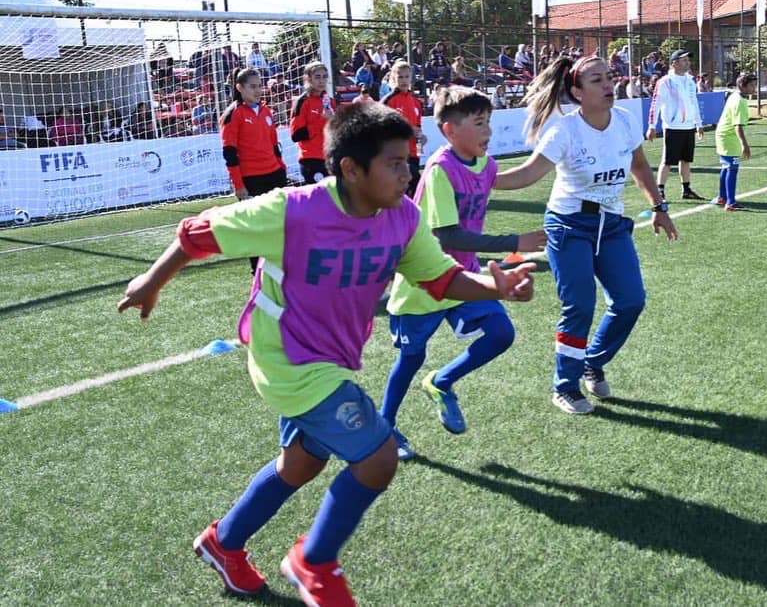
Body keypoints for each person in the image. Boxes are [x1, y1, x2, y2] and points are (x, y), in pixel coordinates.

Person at [117, 102, 535, 606]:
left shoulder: (402, 217)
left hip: (333, 355)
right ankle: (313, 561)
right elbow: (197, 233)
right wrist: (150, 282)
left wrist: (496, 288)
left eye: (409, 161)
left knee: (301, 464)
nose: (408, 174)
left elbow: (441, 277)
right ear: (350, 169)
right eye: (394, 164)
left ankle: (223, 543)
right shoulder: (293, 210)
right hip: (287, 357)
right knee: (379, 458)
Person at [494, 55, 679, 414]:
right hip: (569, 225)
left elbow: (640, 164)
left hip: (611, 225)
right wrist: (479, 180)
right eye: (597, 80)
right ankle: (564, 386)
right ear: (577, 91)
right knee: (579, 305)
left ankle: (593, 361)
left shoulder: (625, 120)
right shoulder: (564, 129)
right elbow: (528, 174)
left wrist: (659, 208)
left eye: (609, 77)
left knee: (630, 301)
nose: (609, 85)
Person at [380, 87, 547, 460]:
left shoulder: (485, 165)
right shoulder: (440, 169)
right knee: (410, 359)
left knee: (501, 333)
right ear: (449, 130)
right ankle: (384, 428)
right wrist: (515, 240)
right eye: (478, 123)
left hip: (464, 275)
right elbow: (447, 235)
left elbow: (512, 179)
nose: (488, 130)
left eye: (488, 121)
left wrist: (555, 155)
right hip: (425, 279)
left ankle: (442, 382)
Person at [220, 67, 287, 272]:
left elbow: (274, 145)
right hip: (251, 179)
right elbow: (230, 153)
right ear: (239, 88)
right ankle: (257, 271)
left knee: (279, 224)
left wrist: (281, 168)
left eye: (260, 86)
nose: (258, 91)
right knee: (255, 227)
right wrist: (238, 185)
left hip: (274, 175)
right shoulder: (233, 114)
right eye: (253, 87)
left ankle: (280, 266)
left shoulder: (266, 111)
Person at [647, 49, 705, 201]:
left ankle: (686, 189)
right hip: (672, 127)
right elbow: (656, 104)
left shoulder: (690, 81)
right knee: (667, 161)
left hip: (688, 127)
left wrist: (698, 123)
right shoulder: (665, 82)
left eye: (688, 60)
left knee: (686, 160)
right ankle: (660, 192)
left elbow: (694, 103)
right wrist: (651, 126)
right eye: (684, 60)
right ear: (674, 63)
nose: (688, 63)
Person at [382, 61, 427, 196]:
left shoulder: (416, 102)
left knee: (412, 193)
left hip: (413, 153)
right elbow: (381, 129)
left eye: (407, 77)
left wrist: (421, 140)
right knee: (415, 184)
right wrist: (406, 130)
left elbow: (418, 128)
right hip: (395, 153)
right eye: (400, 77)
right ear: (393, 78)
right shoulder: (388, 101)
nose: (404, 80)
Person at [712, 72, 756, 211]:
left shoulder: (735, 95)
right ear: (742, 86)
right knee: (732, 168)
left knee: (726, 166)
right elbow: (738, 126)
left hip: (723, 135)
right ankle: (730, 203)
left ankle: (722, 197)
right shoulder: (740, 101)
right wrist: (745, 145)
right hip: (729, 137)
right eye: (752, 85)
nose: (754, 88)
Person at [290, 62, 336, 185]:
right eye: (317, 77)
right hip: (311, 160)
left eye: (324, 76)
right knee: (318, 202)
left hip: (330, 158)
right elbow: (296, 134)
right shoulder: (302, 102)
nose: (322, 80)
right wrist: (321, 121)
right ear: (308, 79)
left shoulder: (330, 101)